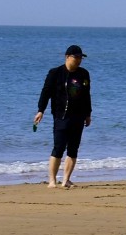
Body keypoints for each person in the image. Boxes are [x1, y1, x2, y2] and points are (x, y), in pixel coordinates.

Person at [34, 44, 93, 189]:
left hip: (78, 116)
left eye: (81, 58)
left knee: (73, 149)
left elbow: (86, 95)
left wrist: (88, 114)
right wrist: (41, 110)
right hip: (61, 116)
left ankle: (66, 179)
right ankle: (52, 180)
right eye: (76, 57)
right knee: (58, 147)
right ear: (67, 57)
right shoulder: (55, 73)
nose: (79, 60)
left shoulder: (84, 74)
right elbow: (46, 92)